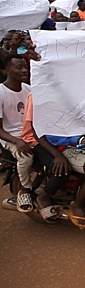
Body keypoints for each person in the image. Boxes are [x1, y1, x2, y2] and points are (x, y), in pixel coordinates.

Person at [22, 92, 85, 227]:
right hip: (60, 145)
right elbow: (46, 132)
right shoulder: (41, 97)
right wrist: (79, 139)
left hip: (81, 141)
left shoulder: (74, 92)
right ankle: (76, 205)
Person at [0, 55, 33, 212]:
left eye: (25, 67)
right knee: (26, 157)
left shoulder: (29, 90)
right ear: (7, 70)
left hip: (31, 134)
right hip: (10, 136)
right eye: (18, 67)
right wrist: (16, 141)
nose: (24, 70)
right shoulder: (1, 92)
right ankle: (25, 190)